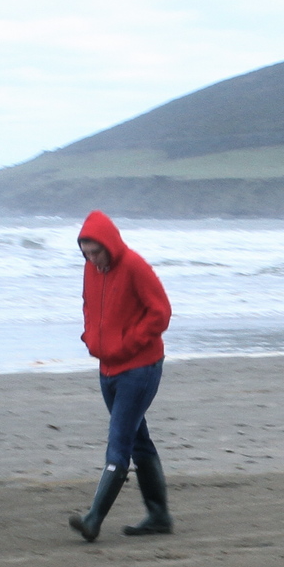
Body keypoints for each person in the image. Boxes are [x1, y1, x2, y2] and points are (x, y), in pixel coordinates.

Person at [69, 211, 173, 541]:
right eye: (86, 253)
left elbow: (161, 312)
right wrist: (90, 338)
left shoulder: (134, 266)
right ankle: (159, 515)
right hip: (107, 367)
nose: (92, 259)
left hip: (141, 368)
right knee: (137, 437)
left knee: (120, 441)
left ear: (108, 244)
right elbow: (89, 305)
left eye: (95, 252)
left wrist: (129, 343)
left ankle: (93, 519)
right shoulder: (90, 268)